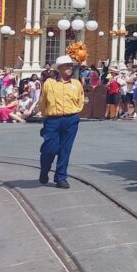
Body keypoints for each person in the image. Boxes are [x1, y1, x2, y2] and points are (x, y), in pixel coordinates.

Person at [38, 55, 85, 189]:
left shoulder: (76, 84)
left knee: (65, 149)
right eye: (67, 65)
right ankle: (44, 169)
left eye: (71, 65)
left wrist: (75, 114)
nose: (70, 68)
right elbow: (43, 102)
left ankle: (61, 177)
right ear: (59, 68)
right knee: (50, 149)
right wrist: (45, 115)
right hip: (53, 120)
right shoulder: (49, 83)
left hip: (70, 119)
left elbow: (80, 100)